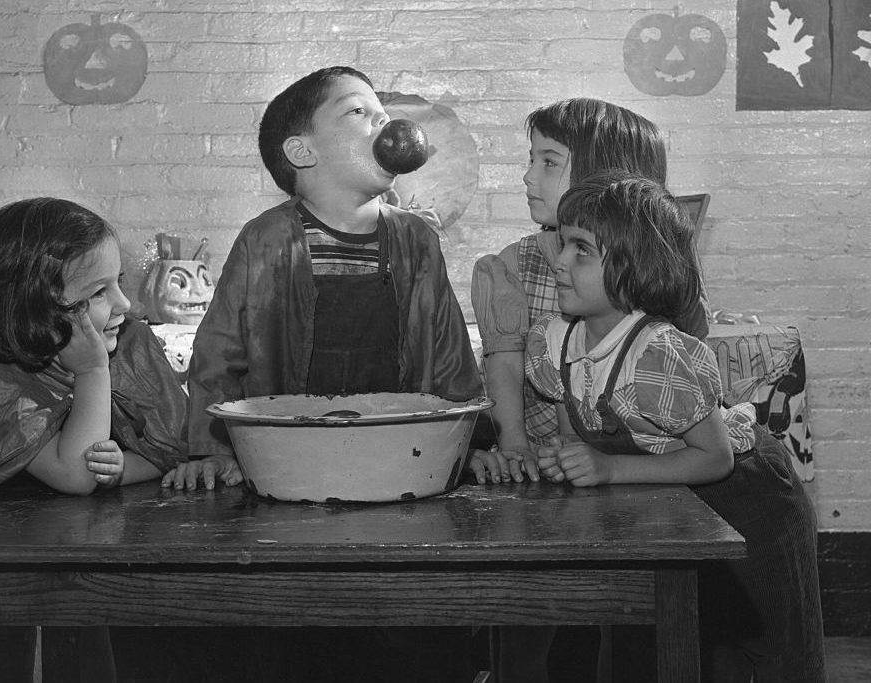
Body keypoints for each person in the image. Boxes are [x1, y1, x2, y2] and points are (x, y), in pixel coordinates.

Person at [161, 65, 483, 683]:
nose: (384, 123)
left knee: (405, 626)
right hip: (294, 469)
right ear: (302, 151)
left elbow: (447, 351)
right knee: (304, 628)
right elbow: (218, 355)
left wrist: (471, 442)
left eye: (383, 113)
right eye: (358, 112)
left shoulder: (416, 238)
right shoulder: (265, 239)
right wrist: (208, 448)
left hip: (400, 463)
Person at [0, 197, 240, 682]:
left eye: (120, 284)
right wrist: (92, 371)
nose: (125, 305)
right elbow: (74, 474)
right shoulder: (0, 385)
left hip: (75, 562)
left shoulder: (128, 341)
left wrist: (124, 469)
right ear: (34, 309)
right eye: (97, 293)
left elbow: (168, 444)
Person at [527, 171, 824, 682]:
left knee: (763, 647)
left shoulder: (660, 355)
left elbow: (714, 458)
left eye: (581, 250)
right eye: (561, 242)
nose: (558, 261)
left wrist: (607, 468)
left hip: (749, 501)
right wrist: (564, 459)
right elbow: (574, 437)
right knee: (667, 641)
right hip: (666, 502)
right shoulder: (555, 345)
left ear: (632, 267)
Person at [468, 97, 710, 488]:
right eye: (531, 160)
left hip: (651, 464)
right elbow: (506, 362)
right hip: (550, 459)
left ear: (604, 176)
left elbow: (683, 367)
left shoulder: (650, 268)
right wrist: (515, 445)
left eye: (549, 162)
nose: (528, 177)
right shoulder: (513, 266)